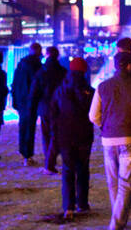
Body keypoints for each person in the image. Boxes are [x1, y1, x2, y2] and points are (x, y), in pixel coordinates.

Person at [88, 50, 131, 230]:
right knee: (126, 184)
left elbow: (93, 116)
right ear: (130, 65)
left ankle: (119, 218)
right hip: (130, 139)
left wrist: (105, 126)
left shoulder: (102, 86)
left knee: (113, 182)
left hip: (108, 139)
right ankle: (117, 225)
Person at [50, 57, 95, 220]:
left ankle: (68, 206)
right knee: (83, 168)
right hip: (84, 135)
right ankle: (82, 203)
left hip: (65, 135)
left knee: (68, 169)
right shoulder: (90, 92)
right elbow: (95, 113)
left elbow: (53, 113)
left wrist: (56, 131)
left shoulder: (60, 91)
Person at [31, 46, 68, 174]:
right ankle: (56, 157)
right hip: (60, 107)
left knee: (46, 134)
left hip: (45, 108)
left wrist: (33, 107)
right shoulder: (63, 71)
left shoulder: (41, 72)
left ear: (47, 55)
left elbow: (34, 92)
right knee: (58, 133)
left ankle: (49, 158)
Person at [11, 42, 43, 165]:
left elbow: (15, 84)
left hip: (21, 101)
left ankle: (23, 151)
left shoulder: (20, 65)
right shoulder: (37, 66)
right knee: (30, 128)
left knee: (23, 126)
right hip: (31, 101)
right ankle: (27, 155)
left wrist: (15, 100)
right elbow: (38, 85)